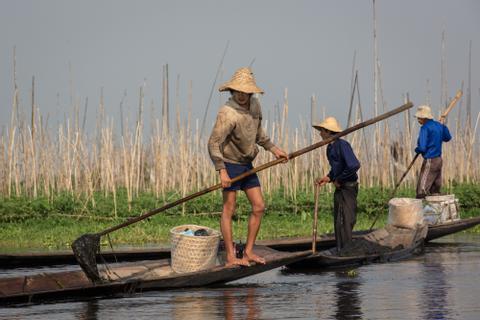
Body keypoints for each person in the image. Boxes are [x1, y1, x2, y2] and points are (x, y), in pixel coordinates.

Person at [208, 67, 288, 267]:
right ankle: (231, 256)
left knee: (259, 206)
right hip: (230, 164)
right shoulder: (227, 113)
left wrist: (273, 148)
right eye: (239, 92)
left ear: (251, 92)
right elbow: (213, 143)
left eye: (246, 92)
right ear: (232, 91)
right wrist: (222, 170)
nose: (242, 95)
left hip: (246, 163)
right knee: (229, 209)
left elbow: (259, 134)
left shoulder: (255, 106)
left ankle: (249, 252)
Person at [313, 117, 360, 251]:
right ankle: (341, 249)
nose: (320, 133)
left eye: (322, 130)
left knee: (347, 219)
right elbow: (336, 168)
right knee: (339, 220)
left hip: (348, 187)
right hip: (339, 187)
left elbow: (354, 165)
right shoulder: (330, 148)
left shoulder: (342, 145)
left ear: (328, 131)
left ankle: (347, 249)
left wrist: (339, 179)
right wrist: (328, 177)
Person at [414, 105, 452, 199]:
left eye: (419, 118)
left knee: (421, 190)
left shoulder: (425, 128)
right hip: (439, 160)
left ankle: (420, 208)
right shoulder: (439, 126)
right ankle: (434, 209)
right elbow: (447, 138)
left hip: (430, 159)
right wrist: (443, 126)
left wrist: (417, 149)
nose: (418, 119)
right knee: (435, 189)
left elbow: (422, 148)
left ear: (424, 118)